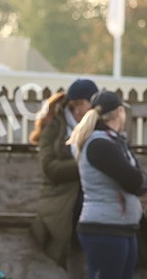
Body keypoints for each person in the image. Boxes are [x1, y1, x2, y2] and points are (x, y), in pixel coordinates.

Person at [65, 90, 147, 279]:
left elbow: (138, 179)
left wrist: (140, 179)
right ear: (119, 113)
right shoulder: (100, 144)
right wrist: (139, 180)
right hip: (103, 229)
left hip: (123, 227)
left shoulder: (114, 142)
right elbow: (136, 181)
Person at [30, 78, 97, 268]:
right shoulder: (54, 128)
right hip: (60, 195)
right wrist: (85, 164)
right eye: (73, 106)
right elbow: (50, 168)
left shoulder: (100, 127)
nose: (77, 111)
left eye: (81, 105)